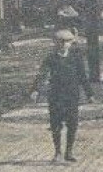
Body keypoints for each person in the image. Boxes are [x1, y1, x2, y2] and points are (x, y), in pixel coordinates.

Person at [32, 29, 93, 163]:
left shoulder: (76, 58)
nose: (64, 44)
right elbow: (42, 74)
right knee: (56, 125)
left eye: (67, 42)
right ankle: (58, 152)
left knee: (72, 124)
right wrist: (35, 89)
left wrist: (90, 93)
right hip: (56, 95)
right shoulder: (51, 58)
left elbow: (83, 76)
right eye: (61, 42)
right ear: (55, 43)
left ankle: (69, 152)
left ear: (71, 43)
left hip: (72, 95)